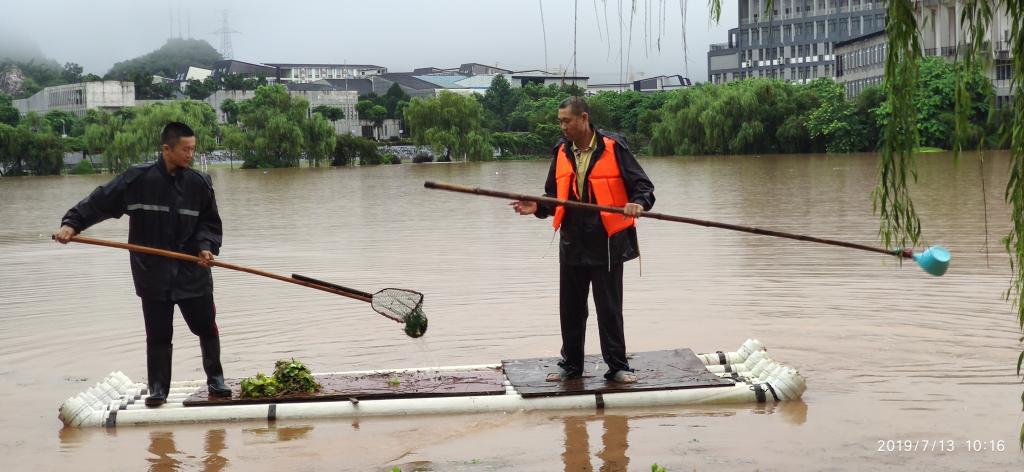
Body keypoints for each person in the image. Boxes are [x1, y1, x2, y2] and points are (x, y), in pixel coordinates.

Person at [54, 122, 231, 406]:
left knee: (206, 327)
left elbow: (209, 224)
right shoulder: (138, 180)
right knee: (159, 334)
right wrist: (71, 224)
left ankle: (216, 380)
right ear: (166, 149)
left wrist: (206, 248)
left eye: (193, 149)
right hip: (153, 273)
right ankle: (158, 389)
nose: (190, 154)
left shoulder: (199, 184)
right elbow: (100, 201)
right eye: (185, 149)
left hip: (192, 272)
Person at [512, 97, 655, 384]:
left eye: (567, 120)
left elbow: (644, 188)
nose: (562, 126)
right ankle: (571, 365)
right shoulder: (561, 151)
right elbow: (553, 196)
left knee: (609, 309)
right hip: (572, 242)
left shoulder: (614, 148)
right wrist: (537, 207)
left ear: (584, 118)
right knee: (571, 309)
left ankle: (617, 366)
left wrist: (637, 203)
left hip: (607, 243)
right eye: (560, 121)